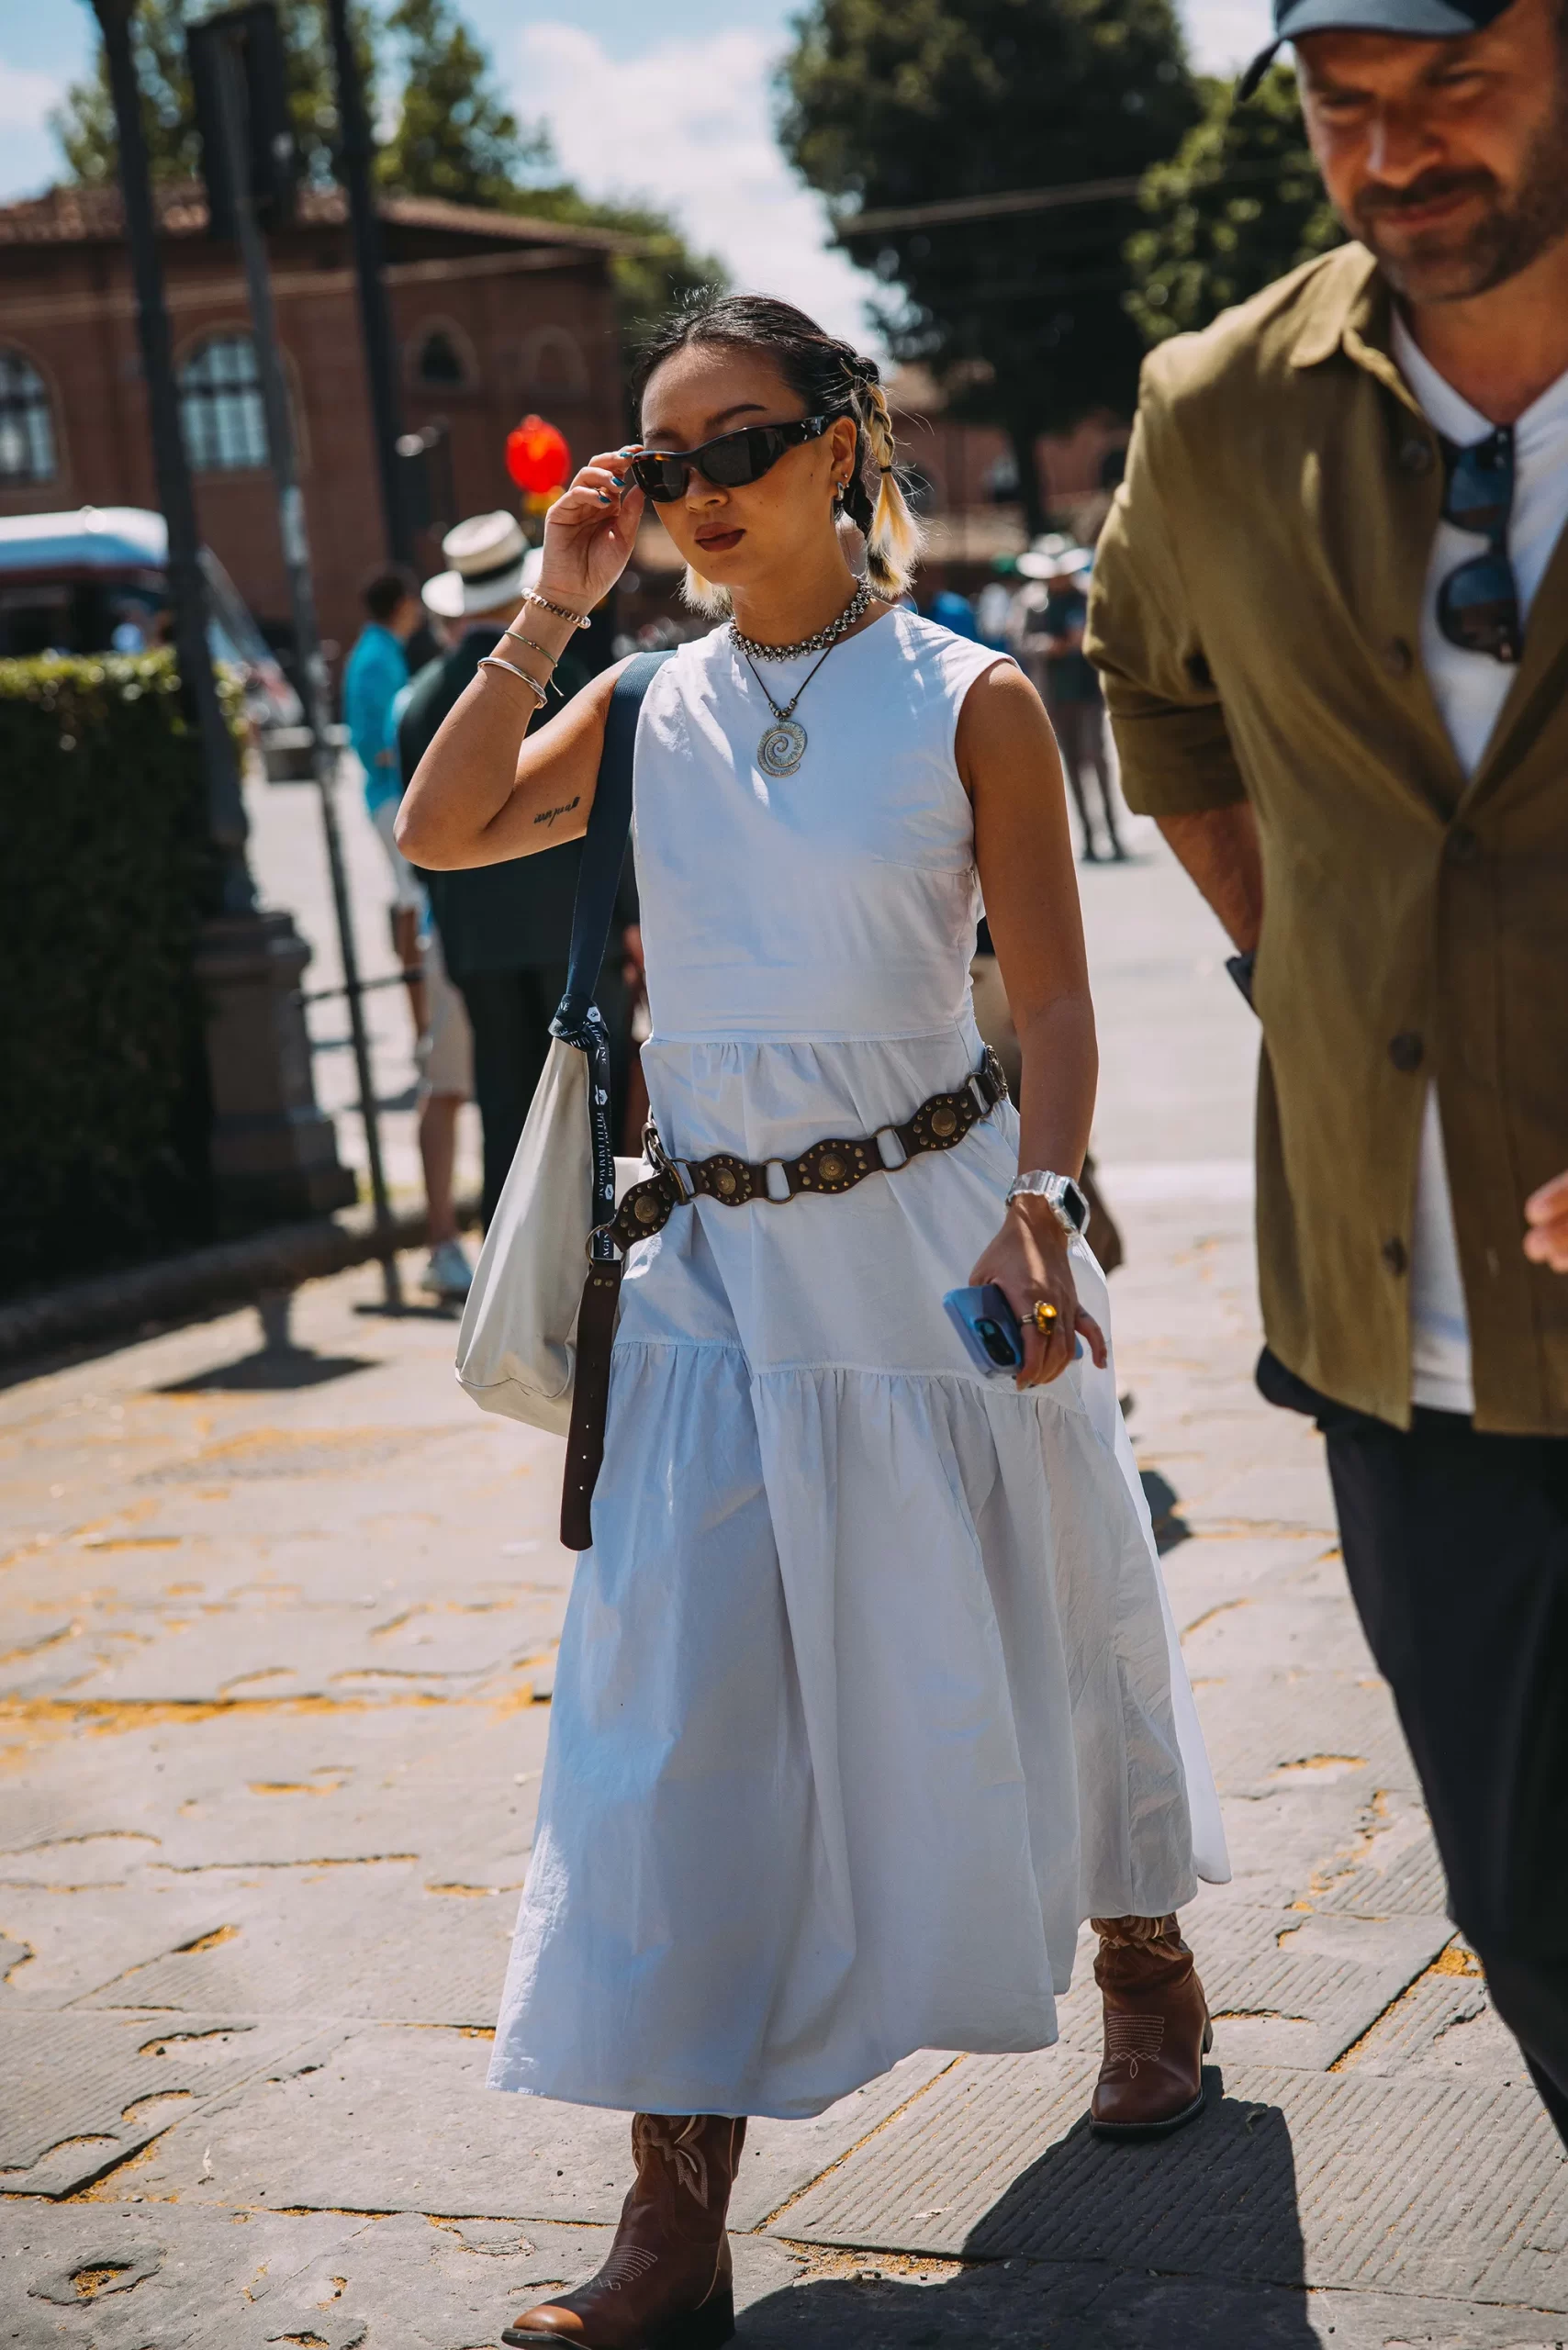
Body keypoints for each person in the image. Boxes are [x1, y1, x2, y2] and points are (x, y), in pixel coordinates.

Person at [399, 292, 1228, 2350]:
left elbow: (1045, 992)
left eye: (732, 444)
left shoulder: (973, 698)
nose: (689, 491)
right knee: (669, 1715)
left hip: (948, 1246)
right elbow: (438, 825)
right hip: (713, 1274)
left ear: (845, 442)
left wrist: (1040, 1209)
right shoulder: (651, 694)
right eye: (657, 459)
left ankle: (1141, 1964)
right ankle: (670, 2207)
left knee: (1051, 1596)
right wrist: (552, 602)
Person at [1086, 0, 1568, 2146]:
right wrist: (1294, 946)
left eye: (1457, 81)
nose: (1397, 149)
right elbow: (1154, 692)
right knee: (1531, 1899)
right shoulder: (1214, 411)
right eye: (1341, 103)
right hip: (1413, 1336)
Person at [398, 516, 635, 1227]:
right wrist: (627, 918)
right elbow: (610, 811)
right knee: (593, 1104)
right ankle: (597, 1268)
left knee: (504, 1108)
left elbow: (420, 829)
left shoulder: (418, 700)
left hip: (475, 940)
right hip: (574, 935)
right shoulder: (576, 677)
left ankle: (513, 1274)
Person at [343, 565, 474, 1302]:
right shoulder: (395, 669)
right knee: (455, 1082)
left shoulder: (393, 668)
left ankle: (446, 1243)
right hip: (454, 904)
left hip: (448, 915)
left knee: (447, 1083)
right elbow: (380, 744)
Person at [1014, 550, 1125, 863]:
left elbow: (1112, 632)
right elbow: (1021, 640)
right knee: (1073, 766)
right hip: (1055, 696)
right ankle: (1089, 836)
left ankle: (1114, 834)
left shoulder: (1087, 596)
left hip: (1090, 692)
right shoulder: (1031, 601)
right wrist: (1051, 647)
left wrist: (1087, 642)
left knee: (1096, 759)